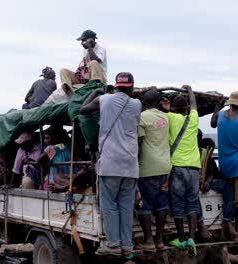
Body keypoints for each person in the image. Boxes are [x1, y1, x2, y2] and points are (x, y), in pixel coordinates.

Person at [80, 72, 141, 259]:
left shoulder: (103, 99)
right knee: (126, 206)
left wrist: (97, 91)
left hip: (110, 162)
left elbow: (83, 110)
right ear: (131, 87)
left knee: (110, 205)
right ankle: (127, 246)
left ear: (115, 86)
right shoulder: (137, 104)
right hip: (130, 164)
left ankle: (113, 244)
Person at [167, 86, 210, 256]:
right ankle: (192, 238)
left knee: (177, 203)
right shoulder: (193, 119)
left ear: (173, 108)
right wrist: (190, 91)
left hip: (177, 167)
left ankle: (181, 238)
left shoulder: (170, 117)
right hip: (194, 168)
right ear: (186, 109)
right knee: (192, 202)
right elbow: (194, 105)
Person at [211, 91, 238, 241]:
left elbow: (212, 122)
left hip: (225, 164)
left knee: (229, 196)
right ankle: (237, 230)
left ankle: (228, 224)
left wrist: (218, 105)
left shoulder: (221, 116)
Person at [136, 88, 171, 251]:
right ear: (158, 103)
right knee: (162, 204)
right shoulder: (166, 117)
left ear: (144, 103)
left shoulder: (141, 118)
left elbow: (139, 144)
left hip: (148, 168)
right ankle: (160, 240)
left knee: (146, 205)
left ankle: (149, 240)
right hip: (165, 167)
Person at [60, 30, 107, 96]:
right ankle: (70, 93)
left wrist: (89, 47)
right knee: (63, 71)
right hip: (85, 78)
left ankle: (95, 88)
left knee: (93, 63)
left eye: (83, 40)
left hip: (98, 78)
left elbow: (96, 60)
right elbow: (84, 66)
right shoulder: (85, 51)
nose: (82, 43)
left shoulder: (101, 49)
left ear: (92, 40)